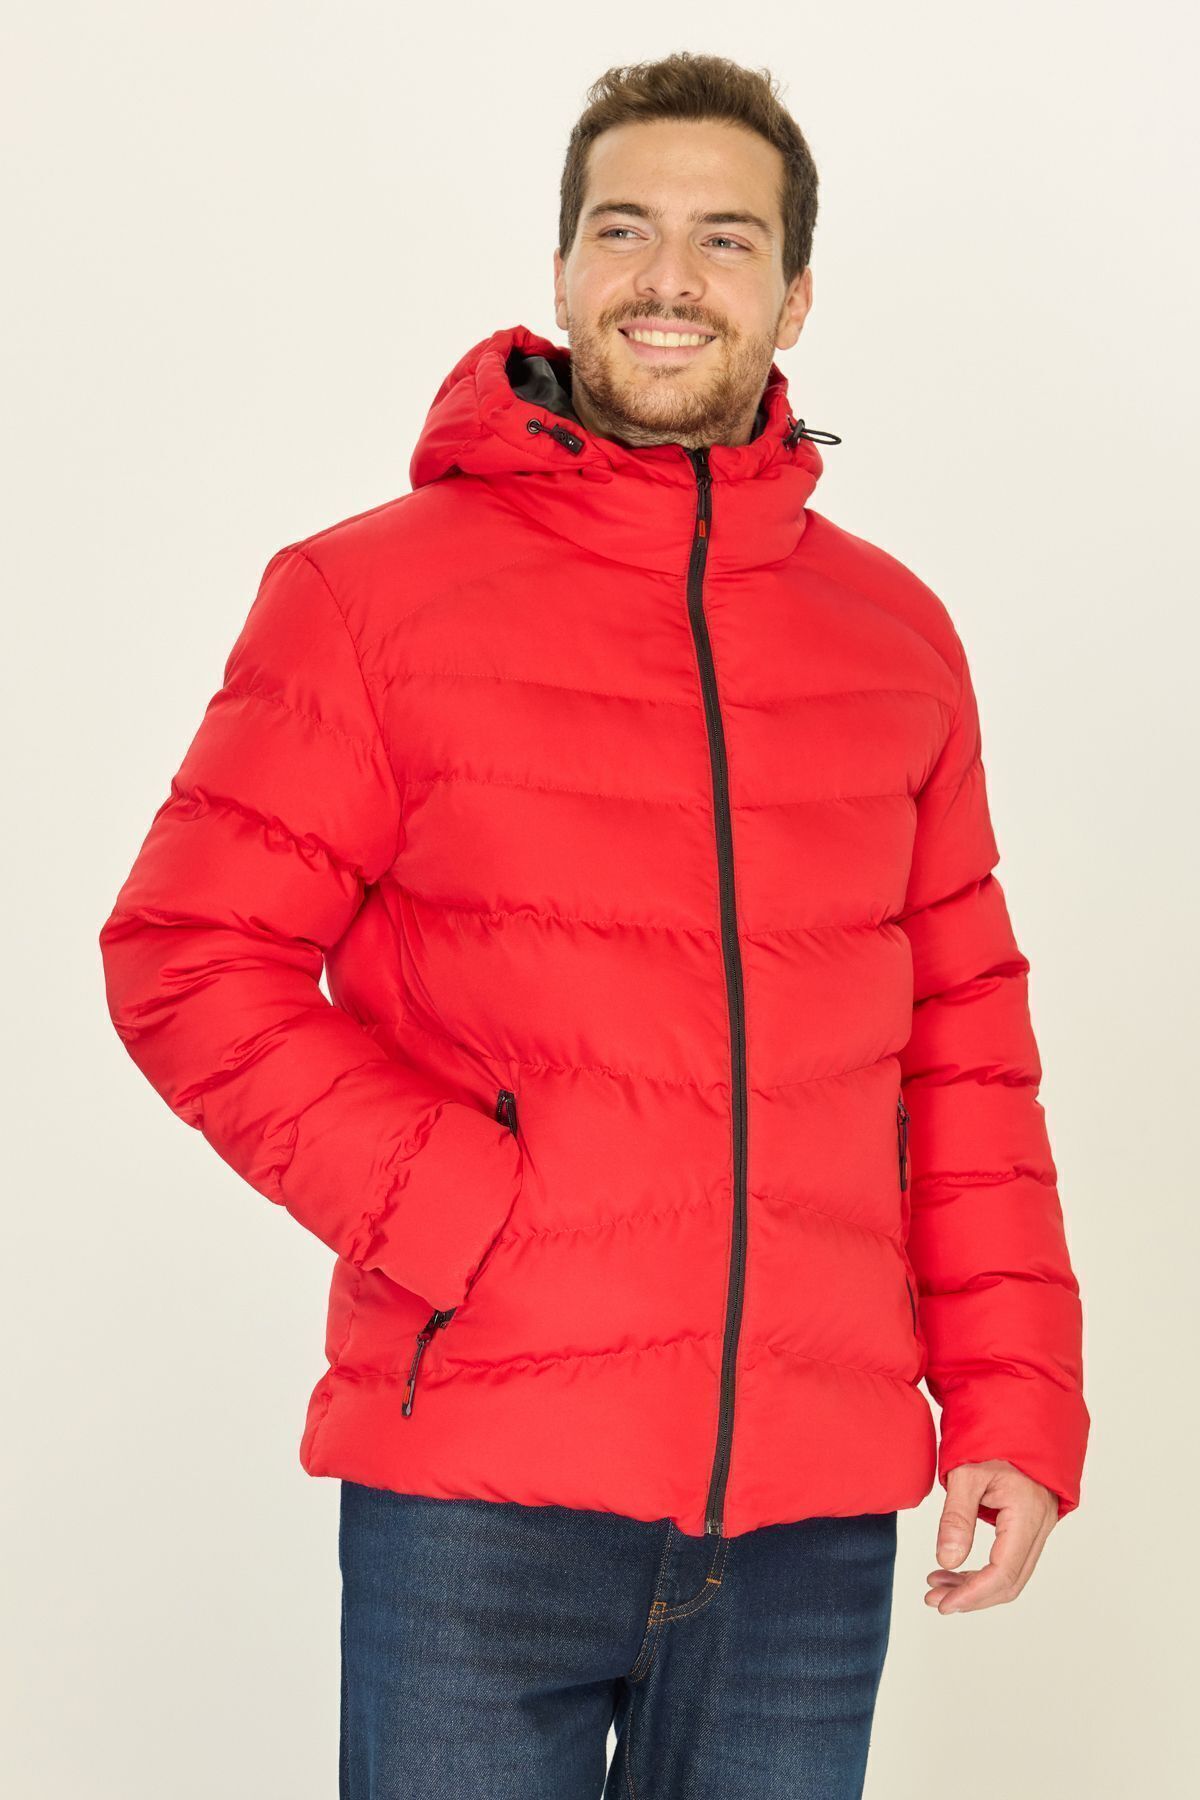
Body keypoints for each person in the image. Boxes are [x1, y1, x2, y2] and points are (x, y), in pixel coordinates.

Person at [99, 50, 1089, 1799]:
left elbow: (966, 1048)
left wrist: (1013, 1399)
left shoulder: (896, 640)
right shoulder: (366, 595)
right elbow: (188, 954)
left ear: (794, 296)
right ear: (562, 270)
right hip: (482, 1489)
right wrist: (457, 1208)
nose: (669, 277)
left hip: (805, 1520)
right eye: (625, 229)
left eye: (726, 238)